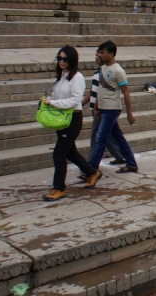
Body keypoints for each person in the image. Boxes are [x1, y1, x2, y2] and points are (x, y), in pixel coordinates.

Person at [41, 46, 102, 201]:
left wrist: (54, 103)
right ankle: (92, 172)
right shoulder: (62, 76)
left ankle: (59, 188)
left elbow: (76, 100)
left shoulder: (77, 77)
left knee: (59, 153)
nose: (62, 62)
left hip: (72, 119)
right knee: (70, 152)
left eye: (65, 59)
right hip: (62, 119)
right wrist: (50, 101)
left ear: (72, 60)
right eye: (59, 58)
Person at [89, 40, 139, 173]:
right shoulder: (102, 69)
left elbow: (126, 92)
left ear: (111, 54)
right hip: (103, 108)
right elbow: (101, 89)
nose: (99, 55)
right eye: (98, 52)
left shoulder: (118, 71)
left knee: (100, 139)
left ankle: (91, 170)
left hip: (112, 109)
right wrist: (96, 107)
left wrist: (130, 113)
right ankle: (132, 164)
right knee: (118, 138)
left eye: (102, 52)